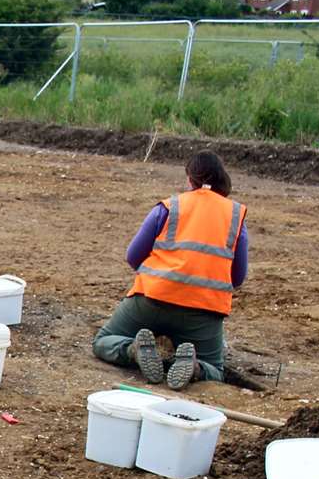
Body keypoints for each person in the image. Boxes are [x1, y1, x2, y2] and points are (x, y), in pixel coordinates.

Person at [92, 151, 248, 389]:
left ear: (189, 179)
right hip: (203, 312)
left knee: (104, 341)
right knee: (215, 367)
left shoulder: (169, 207)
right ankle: (195, 367)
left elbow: (133, 256)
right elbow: (237, 277)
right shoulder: (235, 216)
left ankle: (133, 350)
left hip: (152, 300)